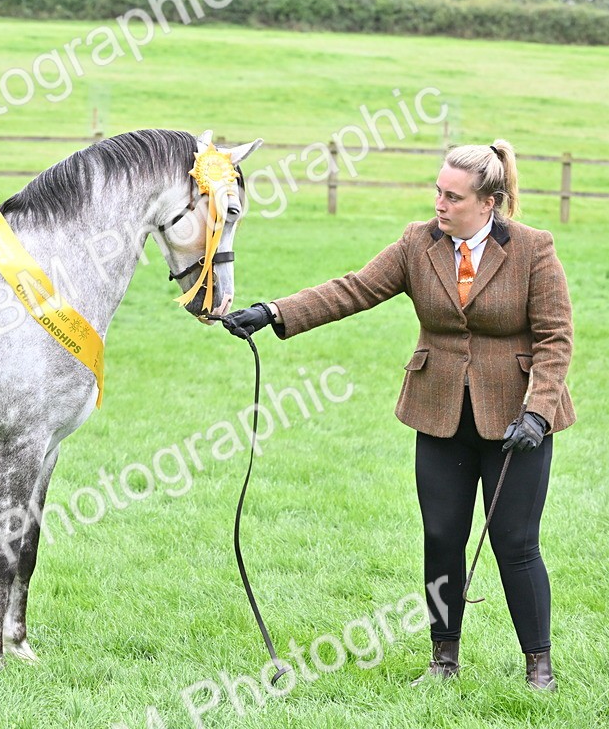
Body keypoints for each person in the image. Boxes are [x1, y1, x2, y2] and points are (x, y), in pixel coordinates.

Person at [222, 140, 574, 691]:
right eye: (437, 191)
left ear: (489, 202)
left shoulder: (533, 249)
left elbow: (555, 338)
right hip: (437, 415)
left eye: (453, 197)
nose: (439, 204)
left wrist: (538, 411)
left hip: (516, 426)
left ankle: (539, 666)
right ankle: (443, 661)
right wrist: (273, 312)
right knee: (440, 536)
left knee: (514, 543)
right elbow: (355, 289)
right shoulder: (419, 243)